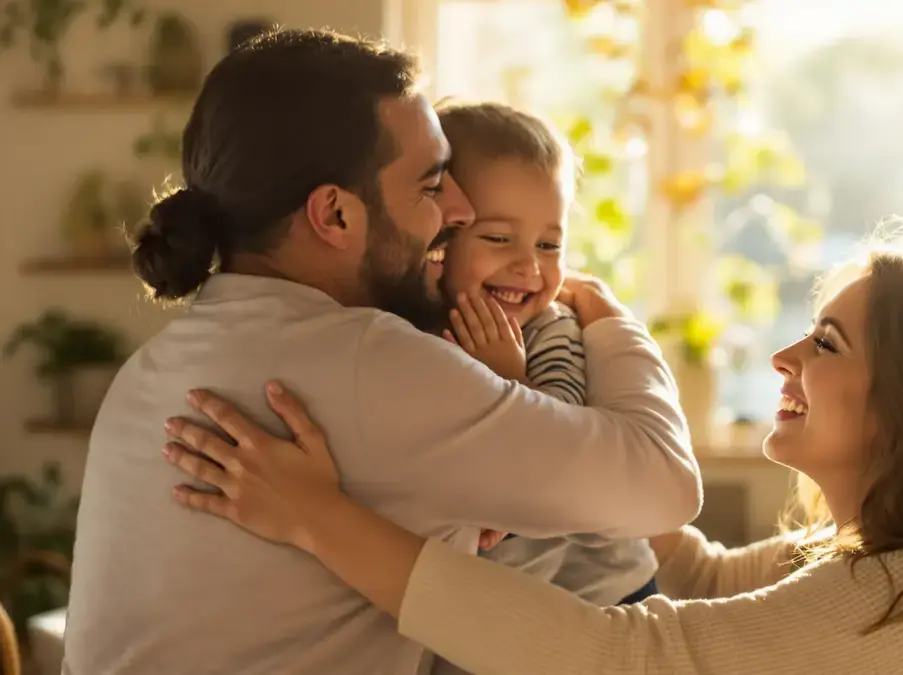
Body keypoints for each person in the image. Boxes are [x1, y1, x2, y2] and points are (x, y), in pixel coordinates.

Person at [162, 226, 903, 674]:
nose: (784, 355)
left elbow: (626, 656)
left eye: (829, 344)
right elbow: (704, 580)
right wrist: (564, 425)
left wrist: (321, 518)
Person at [64, 28, 700, 675]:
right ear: (334, 215)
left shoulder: (147, 370)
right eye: (430, 186)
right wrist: (609, 317)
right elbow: (666, 487)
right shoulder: (371, 361)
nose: (456, 211)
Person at [434, 100, 660, 608]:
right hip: (499, 605)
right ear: (440, 232)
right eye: (498, 238)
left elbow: (565, 448)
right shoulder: (415, 330)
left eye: (549, 246)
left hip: (604, 595)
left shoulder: (549, 329)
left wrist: (509, 381)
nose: (528, 266)